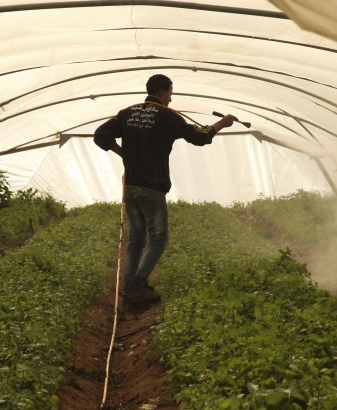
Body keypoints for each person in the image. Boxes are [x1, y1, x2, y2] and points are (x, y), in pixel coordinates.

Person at [93, 74, 237, 306]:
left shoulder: (128, 112)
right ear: (161, 93)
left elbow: (100, 135)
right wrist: (223, 123)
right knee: (159, 238)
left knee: (136, 239)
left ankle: (129, 290)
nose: (171, 98)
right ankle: (138, 283)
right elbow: (199, 138)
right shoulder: (168, 116)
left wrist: (125, 156)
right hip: (152, 188)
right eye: (170, 93)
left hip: (130, 186)